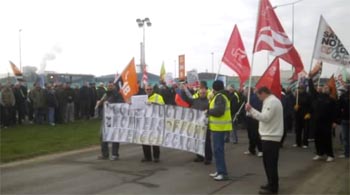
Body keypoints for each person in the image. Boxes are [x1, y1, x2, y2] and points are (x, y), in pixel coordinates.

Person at [245, 87, 284, 195]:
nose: (258, 98)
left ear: (263, 93)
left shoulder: (272, 102)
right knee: (267, 163)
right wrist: (252, 112)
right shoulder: (270, 101)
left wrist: (251, 110)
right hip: (269, 135)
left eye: (259, 95)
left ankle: (273, 188)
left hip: (272, 136)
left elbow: (265, 118)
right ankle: (271, 183)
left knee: (270, 164)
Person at [181, 84, 212, 165]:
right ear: (198, 92)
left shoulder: (209, 101)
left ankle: (208, 158)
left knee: (206, 142)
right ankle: (199, 156)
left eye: (204, 91)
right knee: (197, 141)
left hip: (205, 125)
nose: (202, 92)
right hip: (196, 125)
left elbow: (212, 111)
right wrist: (183, 90)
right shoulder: (194, 100)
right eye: (201, 91)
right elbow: (185, 98)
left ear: (206, 91)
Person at [208, 80, 232, 181]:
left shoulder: (220, 97)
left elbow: (219, 111)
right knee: (217, 150)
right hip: (218, 128)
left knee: (218, 150)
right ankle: (219, 170)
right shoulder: (220, 96)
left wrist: (208, 111)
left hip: (219, 128)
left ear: (214, 88)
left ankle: (222, 173)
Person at [309, 79, 337, 162]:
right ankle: (319, 153)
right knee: (317, 138)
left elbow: (334, 112)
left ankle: (330, 155)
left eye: (326, 87)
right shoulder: (318, 96)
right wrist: (310, 79)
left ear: (329, 90)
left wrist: (335, 121)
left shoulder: (331, 100)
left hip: (327, 122)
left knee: (327, 138)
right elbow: (311, 89)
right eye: (324, 87)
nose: (324, 88)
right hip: (317, 121)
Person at [98, 82, 124, 160]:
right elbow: (101, 105)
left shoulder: (118, 94)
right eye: (108, 86)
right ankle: (105, 154)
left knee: (114, 136)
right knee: (102, 136)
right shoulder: (106, 94)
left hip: (115, 119)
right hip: (105, 118)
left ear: (114, 86)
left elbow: (121, 104)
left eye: (111, 86)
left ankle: (115, 154)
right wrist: (99, 103)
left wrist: (110, 103)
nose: (109, 87)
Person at [141, 84, 164, 163]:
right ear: (145, 90)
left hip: (155, 121)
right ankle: (147, 157)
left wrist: (153, 104)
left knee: (154, 139)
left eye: (150, 89)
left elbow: (163, 107)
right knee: (144, 139)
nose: (149, 90)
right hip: (145, 121)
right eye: (147, 89)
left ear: (152, 90)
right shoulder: (141, 98)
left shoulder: (158, 97)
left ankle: (156, 157)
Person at [244, 88, 263, 157]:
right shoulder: (247, 98)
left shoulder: (254, 97)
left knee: (255, 135)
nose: (244, 91)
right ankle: (251, 149)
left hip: (254, 119)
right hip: (249, 119)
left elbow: (257, 107)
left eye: (245, 90)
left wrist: (251, 111)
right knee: (250, 135)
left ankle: (261, 150)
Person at [337, 86, 349, 158]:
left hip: (345, 119)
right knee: (344, 137)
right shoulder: (343, 96)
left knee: (346, 137)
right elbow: (339, 107)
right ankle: (346, 153)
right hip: (344, 120)